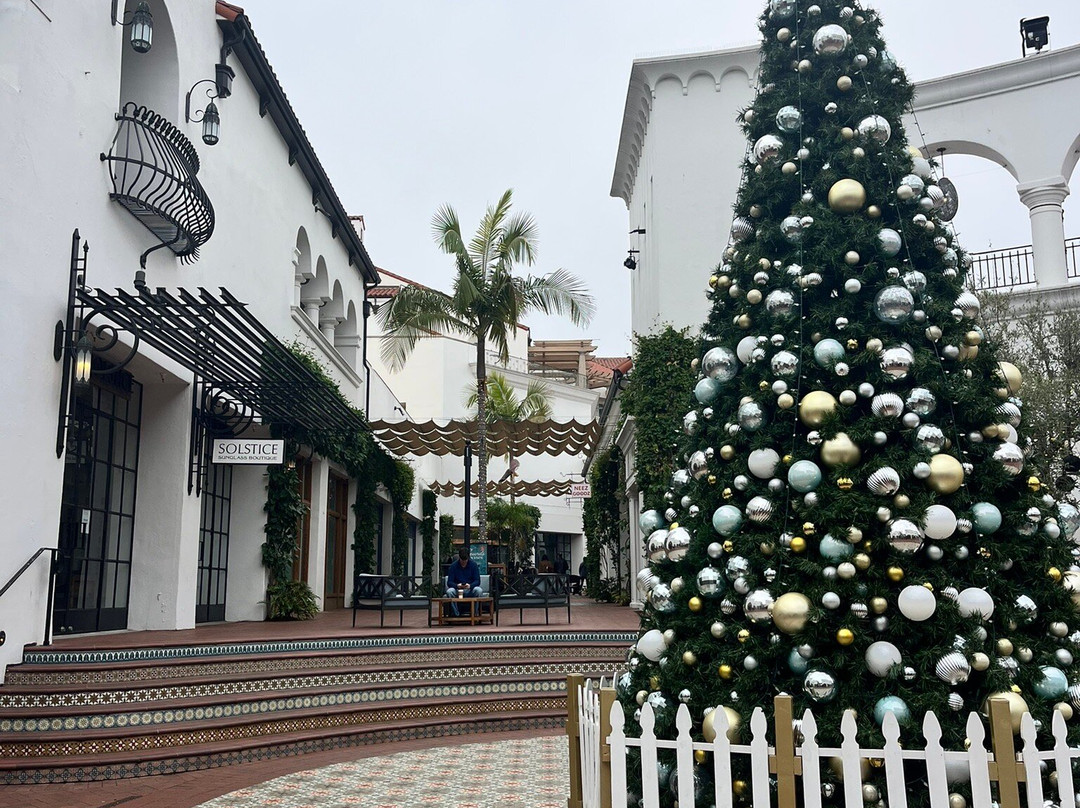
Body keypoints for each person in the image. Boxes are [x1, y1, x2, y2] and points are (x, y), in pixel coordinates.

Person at [445, 547, 482, 616]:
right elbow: (449, 582)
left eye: (465, 560)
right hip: (457, 589)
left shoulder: (473, 565)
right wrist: (457, 586)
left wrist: (470, 586)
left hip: (470, 589)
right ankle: (456, 614)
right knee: (449, 591)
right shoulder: (453, 566)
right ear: (459, 557)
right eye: (462, 560)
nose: (464, 562)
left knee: (478, 590)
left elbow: (477, 581)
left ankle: (474, 613)